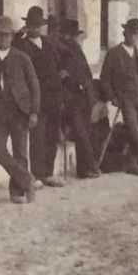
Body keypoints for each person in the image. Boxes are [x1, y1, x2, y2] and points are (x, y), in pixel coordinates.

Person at [0, 15, 41, 203]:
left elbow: (34, 85)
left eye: (6, 35)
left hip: (20, 111)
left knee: (20, 153)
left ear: (12, 37)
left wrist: (34, 112)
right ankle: (27, 179)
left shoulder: (22, 58)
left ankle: (17, 192)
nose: (2, 38)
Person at [14, 7, 67, 188]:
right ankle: (36, 174)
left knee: (51, 135)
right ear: (27, 26)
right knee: (37, 137)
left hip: (54, 97)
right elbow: (9, 49)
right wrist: (18, 35)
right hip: (36, 98)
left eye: (38, 25)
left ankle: (48, 173)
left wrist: (63, 71)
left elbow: (65, 57)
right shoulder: (22, 45)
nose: (35, 28)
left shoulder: (48, 43)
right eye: (32, 25)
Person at [100, 19, 138, 175]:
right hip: (126, 98)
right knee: (134, 129)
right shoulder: (114, 53)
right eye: (132, 34)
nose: (134, 37)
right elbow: (105, 78)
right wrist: (112, 96)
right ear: (125, 34)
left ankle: (133, 163)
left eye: (137, 34)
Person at [53, 19, 103, 179]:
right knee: (81, 133)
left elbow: (86, 73)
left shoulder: (76, 50)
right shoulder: (59, 51)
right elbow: (60, 74)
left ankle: (84, 169)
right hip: (69, 98)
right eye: (71, 35)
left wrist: (91, 94)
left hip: (83, 96)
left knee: (86, 131)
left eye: (75, 36)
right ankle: (92, 165)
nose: (74, 39)